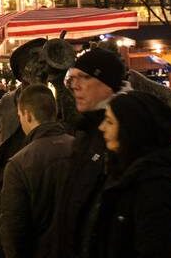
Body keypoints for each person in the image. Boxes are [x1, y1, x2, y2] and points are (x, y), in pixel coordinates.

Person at [50, 47, 126, 258]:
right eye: (71, 78)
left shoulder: (124, 133)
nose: (75, 86)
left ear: (107, 83)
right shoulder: (87, 131)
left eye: (83, 77)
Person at [90, 91, 171, 258]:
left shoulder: (154, 188)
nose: (101, 127)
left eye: (110, 122)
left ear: (130, 130)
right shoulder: (121, 173)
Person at [0, 84, 73, 258]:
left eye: (20, 116)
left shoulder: (19, 164)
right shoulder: (80, 149)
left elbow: (14, 230)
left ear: (28, 115)